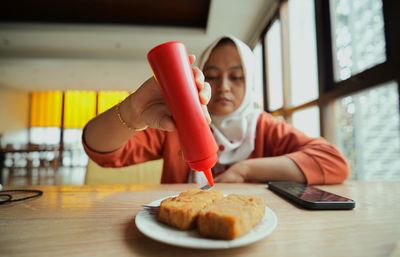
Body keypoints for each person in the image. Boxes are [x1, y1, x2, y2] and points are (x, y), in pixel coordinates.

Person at [83, 35, 349, 185]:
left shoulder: (265, 128)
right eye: (212, 75)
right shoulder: (173, 125)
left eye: (236, 77)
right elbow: (101, 152)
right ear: (199, 80)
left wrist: (245, 170)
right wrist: (133, 109)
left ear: (251, 82)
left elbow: (333, 162)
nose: (223, 87)